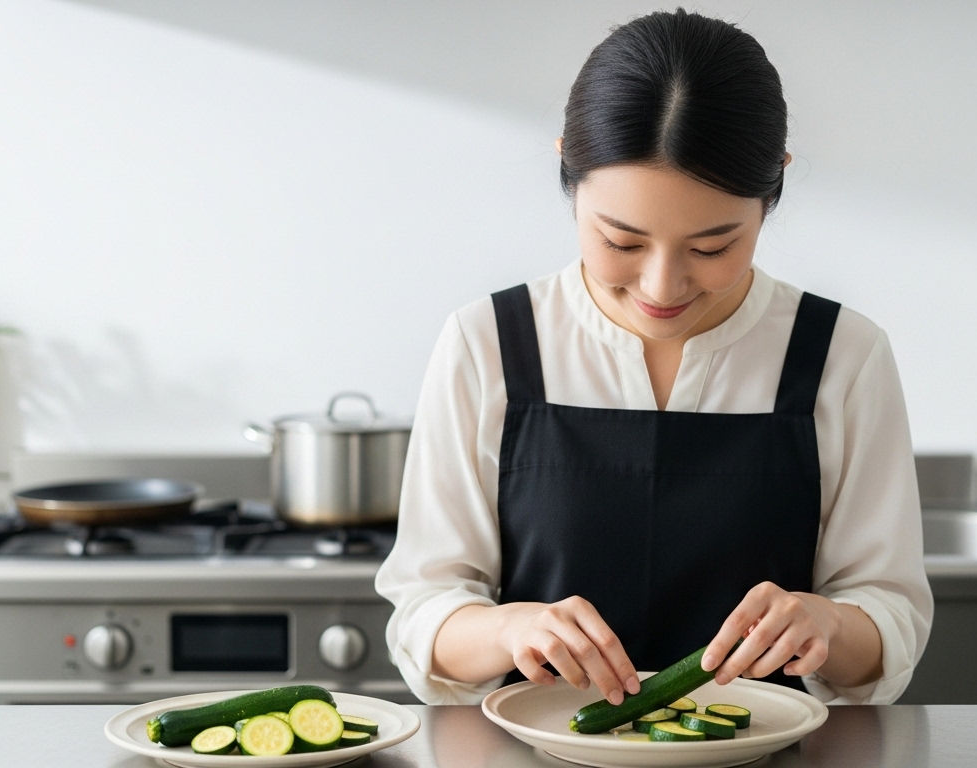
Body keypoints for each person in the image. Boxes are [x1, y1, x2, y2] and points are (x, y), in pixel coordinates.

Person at [375, 9, 932, 706]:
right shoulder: (488, 341)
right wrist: (511, 628)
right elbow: (426, 610)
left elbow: (889, 616)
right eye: (622, 242)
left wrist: (830, 623)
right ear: (567, 177)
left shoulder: (842, 355)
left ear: (773, 190)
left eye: (712, 247)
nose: (661, 287)